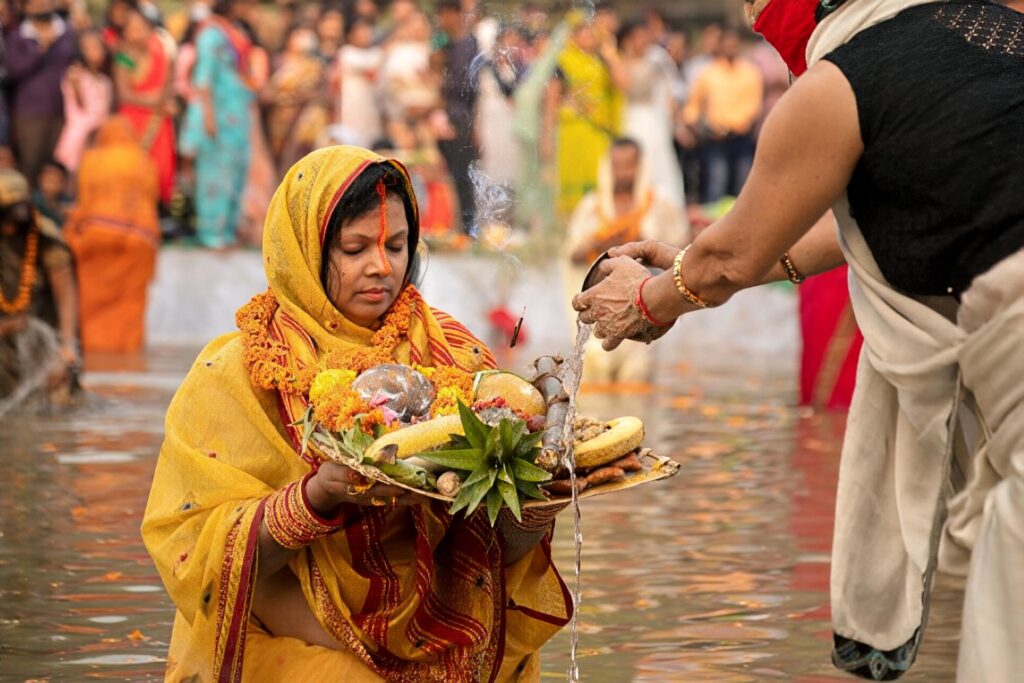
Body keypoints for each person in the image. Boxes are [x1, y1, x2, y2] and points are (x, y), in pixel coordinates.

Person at [574, 1, 1024, 680]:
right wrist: (692, 263)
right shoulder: (993, 26)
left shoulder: (842, 81)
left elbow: (735, 256)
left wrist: (646, 298)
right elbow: (799, 236)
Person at [142, 145, 571, 681]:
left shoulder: (456, 354)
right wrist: (315, 499)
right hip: (296, 638)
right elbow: (192, 553)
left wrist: (536, 496)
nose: (382, 267)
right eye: (355, 247)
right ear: (306, 251)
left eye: (396, 245)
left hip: (453, 635)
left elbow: (501, 547)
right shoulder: (239, 373)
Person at [566, 138, 689, 385]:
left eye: (629, 165)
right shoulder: (591, 206)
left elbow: (682, 252)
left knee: (637, 375)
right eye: (617, 165)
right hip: (600, 304)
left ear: (640, 166)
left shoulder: (660, 204)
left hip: (646, 304)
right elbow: (572, 254)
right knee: (594, 372)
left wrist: (643, 246)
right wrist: (603, 246)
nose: (623, 172)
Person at [63, 117, 159, 354]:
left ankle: (97, 352)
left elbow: (84, 202)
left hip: (97, 237)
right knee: (131, 302)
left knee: (95, 302)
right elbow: (151, 200)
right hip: (139, 240)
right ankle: (127, 352)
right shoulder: (143, 161)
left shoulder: (91, 160)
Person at [0, 168, 79, 406]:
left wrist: (66, 349)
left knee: (57, 397)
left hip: (42, 340)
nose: (12, 227)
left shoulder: (44, 240)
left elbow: (66, 298)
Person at [179, 0, 254, 248]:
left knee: (234, 173)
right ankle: (213, 234)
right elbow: (203, 79)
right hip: (218, 118)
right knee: (215, 175)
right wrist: (208, 117)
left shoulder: (232, 31)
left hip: (236, 117)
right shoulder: (210, 34)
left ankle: (229, 232)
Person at [549, 14, 625, 216]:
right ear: (572, 35)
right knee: (574, 179)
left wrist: (610, 54)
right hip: (573, 129)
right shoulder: (564, 61)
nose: (588, 35)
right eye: (582, 31)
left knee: (601, 178)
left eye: (591, 30)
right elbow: (551, 100)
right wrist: (546, 141)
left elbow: (623, 84)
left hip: (600, 129)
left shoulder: (603, 60)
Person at [681, 27, 763, 203]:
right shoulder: (709, 72)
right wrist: (693, 125)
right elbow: (693, 103)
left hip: (742, 137)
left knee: (743, 188)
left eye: (733, 44)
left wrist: (738, 123)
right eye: (727, 44)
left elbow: (754, 103)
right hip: (715, 138)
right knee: (716, 186)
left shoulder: (749, 71)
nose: (730, 47)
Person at [6, 0, 78, 184]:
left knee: (54, 167)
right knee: (31, 165)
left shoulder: (68, 31)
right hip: (31, 113)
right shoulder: (17, 36)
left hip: (63, 111)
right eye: (35, 3)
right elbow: (14, 70)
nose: (42, 5)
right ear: (26, 7)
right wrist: (41, 48)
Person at [617, 20, 685, 209]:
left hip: (653, 122)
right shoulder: (620, 59)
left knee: (658, 164)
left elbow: (670, 89)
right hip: (628, 119)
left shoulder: (657, 58)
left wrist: (677, 123)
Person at [114, 5, 176, 207]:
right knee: (133, 171)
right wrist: (156, 102)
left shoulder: (160, 50)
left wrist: (162, 103)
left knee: (160, 169)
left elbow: (166, 86)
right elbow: (124, 95)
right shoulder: (124, 57)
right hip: (134, 121)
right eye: (132, 28)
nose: (136, 33)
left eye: (141, 28)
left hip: (158, 120)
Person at [435, 0, 481, 233]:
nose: (441, 21)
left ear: (454, 14)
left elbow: (473, 90)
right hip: (448, 118)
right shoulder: (446, 44)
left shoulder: (470, 44)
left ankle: (468, 229)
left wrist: (476, 126)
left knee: (463, 175)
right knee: (452, 175)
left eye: (444, 15)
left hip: (463, 119)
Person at [262, 23, 328, 176]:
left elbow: (314, 93)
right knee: (278, 165)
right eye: (299, 34)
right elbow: (266, 92)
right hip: (277, 122)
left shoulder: (314, 66)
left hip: (303, 121)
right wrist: (282, 98)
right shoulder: (276, 61)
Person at [53, 29, 113, 175]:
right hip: (80, 135)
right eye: (87, 48)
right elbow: (81, 104)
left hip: (100, 136)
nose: (93, 52)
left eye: (97, 47)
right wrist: (75, 81)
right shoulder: (75, 76)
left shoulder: (105, 82)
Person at [337, 17, 385, 148]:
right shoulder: (346, 53)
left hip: (371, 106)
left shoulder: (376, 53)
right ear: (350, 36)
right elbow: (369, 64)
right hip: (351, 106)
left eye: (367, 31)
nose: (364, 35)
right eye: (360, 32)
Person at [32, 160, 72, 228]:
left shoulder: (68, 204)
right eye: (49, 177)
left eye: (56, 178)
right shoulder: (33, 202)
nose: (52, 182)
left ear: (64, 182)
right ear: (40, 179)